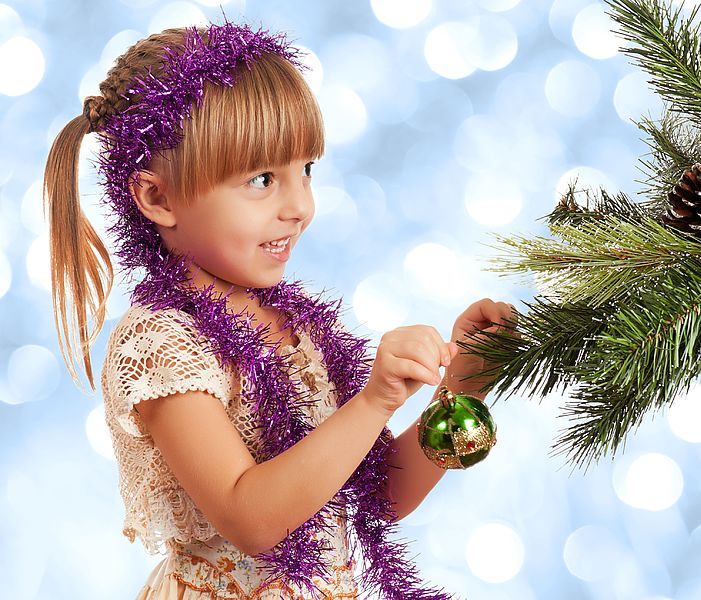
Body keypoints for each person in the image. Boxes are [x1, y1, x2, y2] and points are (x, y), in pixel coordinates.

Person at [42, 20, 518, 600]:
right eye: (262, 179)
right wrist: (373, 402)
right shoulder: (162, 344)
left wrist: (465, 384)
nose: (300, 206)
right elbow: (253, 520)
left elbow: (371, 499)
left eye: (306, 171)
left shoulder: (294, 324)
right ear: (158, 198)